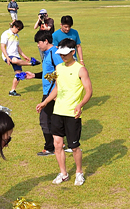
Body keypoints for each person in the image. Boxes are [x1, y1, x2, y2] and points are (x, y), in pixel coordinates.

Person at [35, 39, 92, 186]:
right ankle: (63, 173)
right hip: (58, 111)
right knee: (58, 145)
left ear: (73, 52)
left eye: (65, 54)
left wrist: (80, 105)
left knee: (74, 146)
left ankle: (79, 172)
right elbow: (57, 88)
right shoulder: (59, 68)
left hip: (72, 113)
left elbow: (89, 91)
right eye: (61, 54)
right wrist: (45, 102)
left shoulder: (81, 69)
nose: (62, 56)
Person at [24, 30, 63, 156]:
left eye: (39, 42)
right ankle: (59, 143)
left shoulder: (54, 54)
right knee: (52, 119)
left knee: (45, 120)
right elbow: (49, 73)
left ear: (46, 41)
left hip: (52, 93)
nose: (38, 45)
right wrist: (34, 75)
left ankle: (50, 147)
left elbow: (61, 72)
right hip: (49, 91)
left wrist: (57, 92)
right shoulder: (48, 53)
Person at [0, 20, 40, 97]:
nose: (19, 31)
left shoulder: (16, 36)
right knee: (14, 60)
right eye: (18, 29)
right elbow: (2, 46)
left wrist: (24, 56)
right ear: (14, 26)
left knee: (19, 75)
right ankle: (31, 64)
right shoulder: (6, 34)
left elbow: (17, 47)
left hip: (16, 55)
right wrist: (7, 57)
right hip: (8, 55)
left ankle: (12, 91)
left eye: (20, 30)